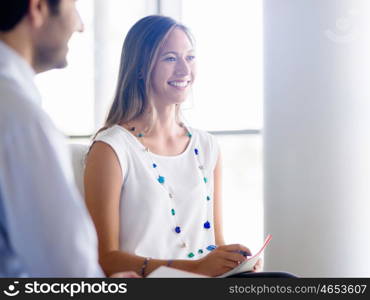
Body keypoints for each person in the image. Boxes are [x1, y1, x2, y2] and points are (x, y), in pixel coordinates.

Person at [84, 15, 264, 278]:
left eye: (190, 57)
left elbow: (215, 239)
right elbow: (105, 258)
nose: (184, 70)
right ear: (140, 67)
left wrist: (234, 260)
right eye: (170, 58)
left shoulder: (207, 145)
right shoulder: (111, 149)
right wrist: (196, 268)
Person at [0, 0, 138, 277]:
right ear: (37, 9)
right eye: (73, 7)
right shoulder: (20, 118)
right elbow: (67, 271)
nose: (81, 25)